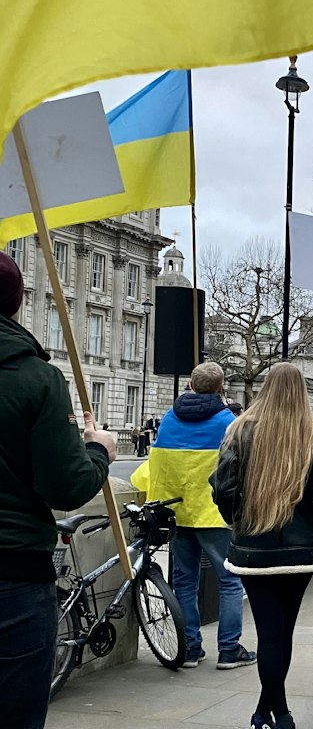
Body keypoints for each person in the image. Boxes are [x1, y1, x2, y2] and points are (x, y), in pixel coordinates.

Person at [0, 251, 117, 729]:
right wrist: (100, 451)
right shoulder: (36, 378)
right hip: (12, 573)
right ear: (19, 302)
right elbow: (66, 486)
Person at [211, 363, 313, 729]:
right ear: (302, 393)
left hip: (253, 549)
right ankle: (275, 713)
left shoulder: (239, 430)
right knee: (281, 633)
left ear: (265, 390)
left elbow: (223, 489)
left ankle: (270, 713)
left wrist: (238, 519)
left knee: (271, 633)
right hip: (299, 550)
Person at [132, 361, 254, 670]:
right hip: (215, 515)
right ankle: (229, 649)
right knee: (230, 583)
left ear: (190, 386)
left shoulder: (170, 420)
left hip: (176, 511)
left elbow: (155, 465)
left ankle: (189, 649)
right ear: (221, 387)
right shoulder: (229, 422)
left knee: (184, 583)